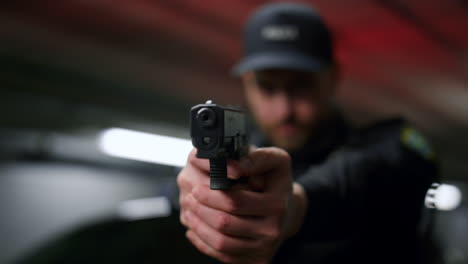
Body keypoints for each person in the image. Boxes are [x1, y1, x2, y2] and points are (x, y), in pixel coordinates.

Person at [177, 3, 437, 264]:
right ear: (247, 83)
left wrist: (295, 205)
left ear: (333, 78)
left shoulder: (381, 151)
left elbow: (373, 169)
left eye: (301, 86)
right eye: (267, 87)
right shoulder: (244, 152)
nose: (284, 110)